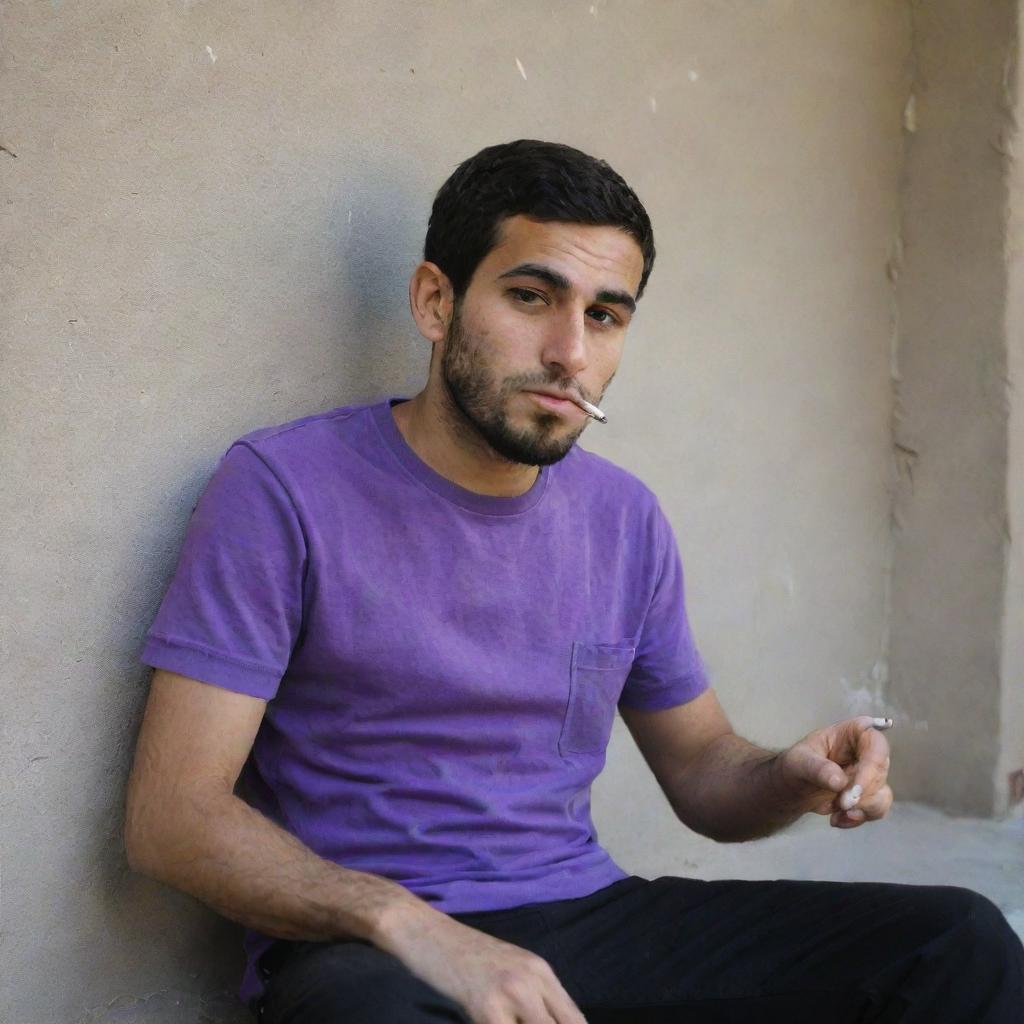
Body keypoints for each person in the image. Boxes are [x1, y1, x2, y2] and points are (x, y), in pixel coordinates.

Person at [125, 139, 1024, 1023]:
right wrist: (407, 922)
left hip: (590, 921)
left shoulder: (622, 519)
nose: (570, 351)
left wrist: (788, 778)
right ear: (435, 301)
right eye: (530, 297)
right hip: (370, 956)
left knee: (957, 942)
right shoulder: (284, 488)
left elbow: (705, 774)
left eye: (605, 315)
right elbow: (174, 818)